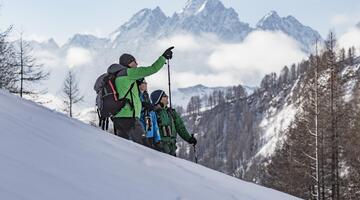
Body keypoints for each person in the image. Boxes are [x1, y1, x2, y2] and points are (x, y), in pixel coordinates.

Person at [112, 47, 174, 145]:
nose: (137, 64)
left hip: (118, 118)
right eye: (135, 62)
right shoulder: (129, 73)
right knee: (144, 148)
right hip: (129, 118)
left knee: (123, 148)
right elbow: (152, 69)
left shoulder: (118, 76)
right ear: (129, 63)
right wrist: (163, 58)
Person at [150, 90, 197, 156]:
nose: (167, 97)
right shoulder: (153, 113)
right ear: (159, 99)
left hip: (172, 149)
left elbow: (180, 127)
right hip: (159, 149)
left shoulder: (172, 113)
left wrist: (189, 139)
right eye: (164, 96)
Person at [137, 78, 161, 150]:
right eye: (144, 82)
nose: (146, 84)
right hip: (141, 134)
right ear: (139, 84)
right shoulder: (136, 96)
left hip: (150, 134)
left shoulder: (146, 96)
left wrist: (157, 139)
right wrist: (143, 106)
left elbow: (153, 119)